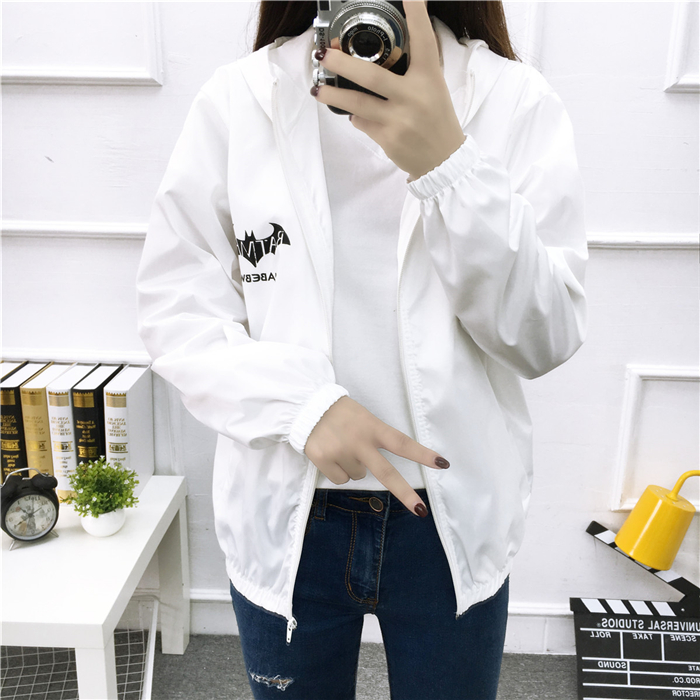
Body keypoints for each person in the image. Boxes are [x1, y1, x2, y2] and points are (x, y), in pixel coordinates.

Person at [136, 0, 588, 697]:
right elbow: (176, 307)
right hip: (288, 512)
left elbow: (545, 336)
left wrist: (449, 164)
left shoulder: (514, 100)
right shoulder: (240, 99)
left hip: (448, 520)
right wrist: (302, 405)